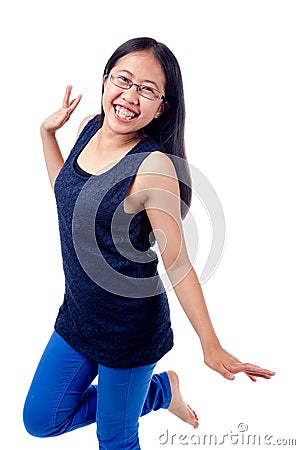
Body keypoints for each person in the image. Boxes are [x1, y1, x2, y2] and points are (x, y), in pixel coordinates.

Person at [23, 37, 275, 449]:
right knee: (41, 420)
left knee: (116, 439)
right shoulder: (90, 128)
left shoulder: (153, 167)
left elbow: (178, 263)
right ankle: (161, 392)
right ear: (105, 81)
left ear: (162, 107)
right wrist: (46, 134)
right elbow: (67, 196)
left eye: (147, 89)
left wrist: (211, 345)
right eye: (123, 80)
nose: (129, 96)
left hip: (129, 330)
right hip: (78, 316)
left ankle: (150, 390)